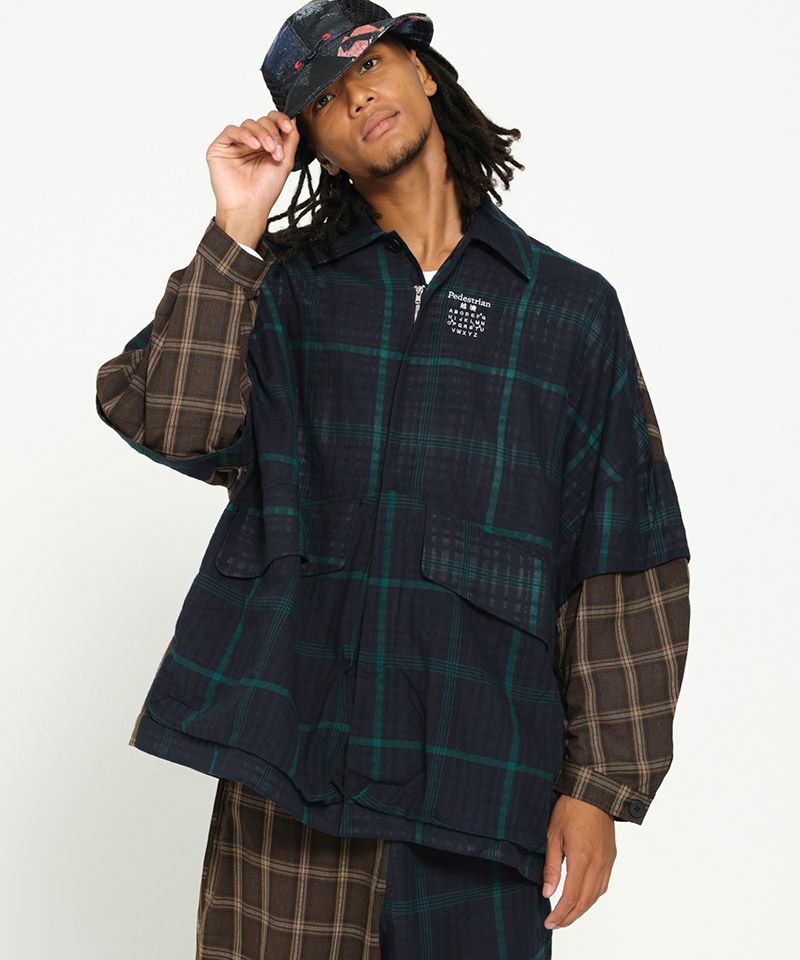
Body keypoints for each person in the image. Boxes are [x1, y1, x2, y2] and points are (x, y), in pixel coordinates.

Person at [95, 2, 691, 957]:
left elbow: (626, 551)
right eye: (322, 98)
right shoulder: (281, 289)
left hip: (480, 779)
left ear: (424, 69)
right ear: (317, 145)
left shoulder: (567, 311)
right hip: (291, 769)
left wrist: (600, 788)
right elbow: (174, 420)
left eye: (369, 63)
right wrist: (237, 228)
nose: (356, 96)